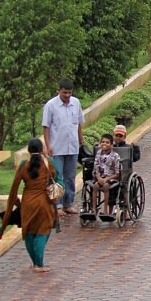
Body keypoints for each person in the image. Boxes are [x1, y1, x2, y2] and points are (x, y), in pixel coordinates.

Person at [0, 138, 58, 272]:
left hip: (27, 203)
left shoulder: (23, 165)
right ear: (42, 150)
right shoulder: (49, 164)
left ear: (29, 151)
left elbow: (14, 188)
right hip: (44, 202)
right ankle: (39, 264)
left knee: (29, 232)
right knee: (42, 231)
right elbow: (58, 179)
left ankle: (35, 262)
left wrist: (15, 204)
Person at [41, 78, 84, 218]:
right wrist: (48, 146)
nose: (67, 95)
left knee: (70, 177)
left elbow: (78, 124)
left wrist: (81, 141)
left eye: (69, 93)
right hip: (57, 147)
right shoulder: (51, 105)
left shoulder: (76, 103)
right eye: (64, 92)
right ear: (58, 90)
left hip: (72, 147)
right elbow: (46, 127)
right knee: (57, 178)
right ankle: (57, 205)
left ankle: (69, 204)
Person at [85, 133, 122, 223]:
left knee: (105, 186)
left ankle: (105, 210)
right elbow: (95, 167)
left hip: (111, 178)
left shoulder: (115, 156)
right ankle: (93, 210)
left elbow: (117, 173)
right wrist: (98, 177)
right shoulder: (98, 153)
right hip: (99, 177)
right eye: (103, 142)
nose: (104, 144)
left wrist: (106, 179)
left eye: (107, 142)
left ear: (112, 145)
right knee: (96, 186)